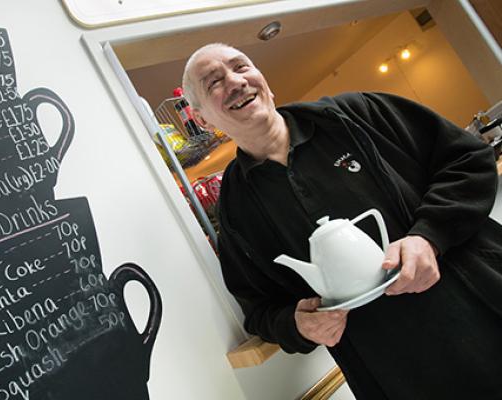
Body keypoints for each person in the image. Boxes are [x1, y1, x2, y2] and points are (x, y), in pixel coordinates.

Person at [182, 43, 502, 399]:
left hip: (482, 304)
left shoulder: (354, 114)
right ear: (201, 119)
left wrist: (429, 236)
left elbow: (467, 159)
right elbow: (258, 309)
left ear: (264, 80)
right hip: (398, 374)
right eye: (214, 82)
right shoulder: (236, 208)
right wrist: (298, 325)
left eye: (241, 67)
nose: (235, 82)